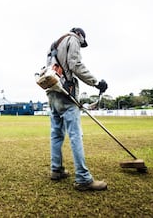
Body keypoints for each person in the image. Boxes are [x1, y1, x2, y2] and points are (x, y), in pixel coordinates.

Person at [46, 27, 108, 191]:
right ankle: (83, 178)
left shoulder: (54, 44)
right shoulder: (72, 39)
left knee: (56, 134)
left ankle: (56, 170)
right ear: (79, 35)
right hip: (67, 93)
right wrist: (96, 82)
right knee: (75, 135)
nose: (81, 44)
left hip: (52, 92)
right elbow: (75, 64)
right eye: (82, 42)